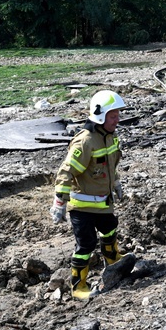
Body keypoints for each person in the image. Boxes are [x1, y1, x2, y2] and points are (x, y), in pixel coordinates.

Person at [50, 90, 127, 299]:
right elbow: (66, 172)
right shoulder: (85, 142)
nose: (117, 120)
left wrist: (117, 182)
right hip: (82, 207)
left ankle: (113, 259)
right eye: (113, 116)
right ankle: (78, 287)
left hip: (103, 202)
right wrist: (59, 202)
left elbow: (110, 165)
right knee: (86, 245)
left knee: (110, 229)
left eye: (118, 115)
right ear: (100, 116)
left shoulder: (111, 137)